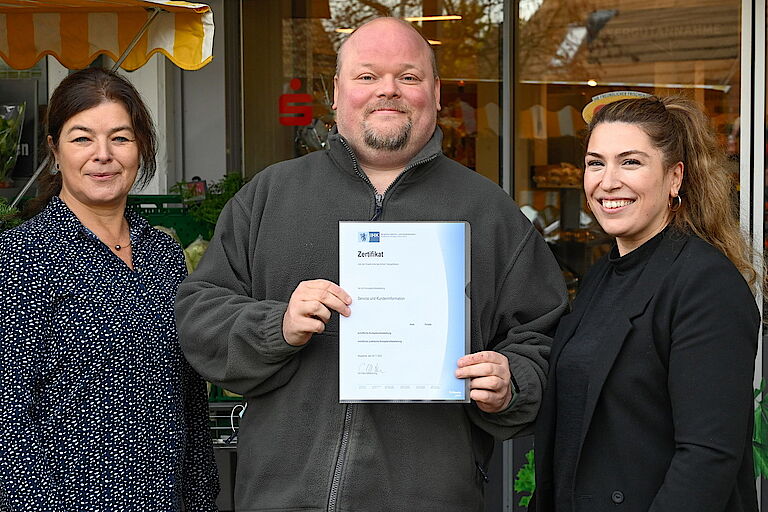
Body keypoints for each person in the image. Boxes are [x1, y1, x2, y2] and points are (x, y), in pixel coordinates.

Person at [175, 16, 567, 512]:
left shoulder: (490, 213)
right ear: (336, 93)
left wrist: (512, 381)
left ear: (436, 93)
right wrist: (278, 326)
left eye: (408, 76)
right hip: (281, 497)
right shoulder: (270, 196)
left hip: (430, 500)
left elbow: (546, 341)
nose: (388, 90)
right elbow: (199, 316)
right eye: (367, 76)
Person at [0, 67, 219, 510]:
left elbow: (189, 394)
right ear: (54, 151)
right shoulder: (22, 255)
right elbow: (10, 416)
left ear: (141, 148)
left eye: (120, 138)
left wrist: (200, 498)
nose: (103, 155)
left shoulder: (162, 253)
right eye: (82, 138)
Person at [534, 95, 760, 512]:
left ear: (674, 177)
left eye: (631, 162)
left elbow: (707, 459)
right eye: (596, 163)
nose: (608, 181)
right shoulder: (602, 275)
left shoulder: (705, 284)